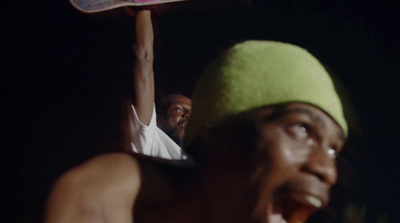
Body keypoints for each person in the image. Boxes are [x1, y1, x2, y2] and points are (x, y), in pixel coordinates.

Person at [44, 40, 348, 223]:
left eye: (334, 149)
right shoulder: (109, 193)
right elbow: (143, 63)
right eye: (302, 129)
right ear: (220, 134)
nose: (328, 170)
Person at [121, 9, 192, 161]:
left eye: (192, 112)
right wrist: (144, 9)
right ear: (159, 120)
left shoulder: (203, 161)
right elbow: (144, 61)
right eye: (178, 109)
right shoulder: (150, 142)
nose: (188, 116)